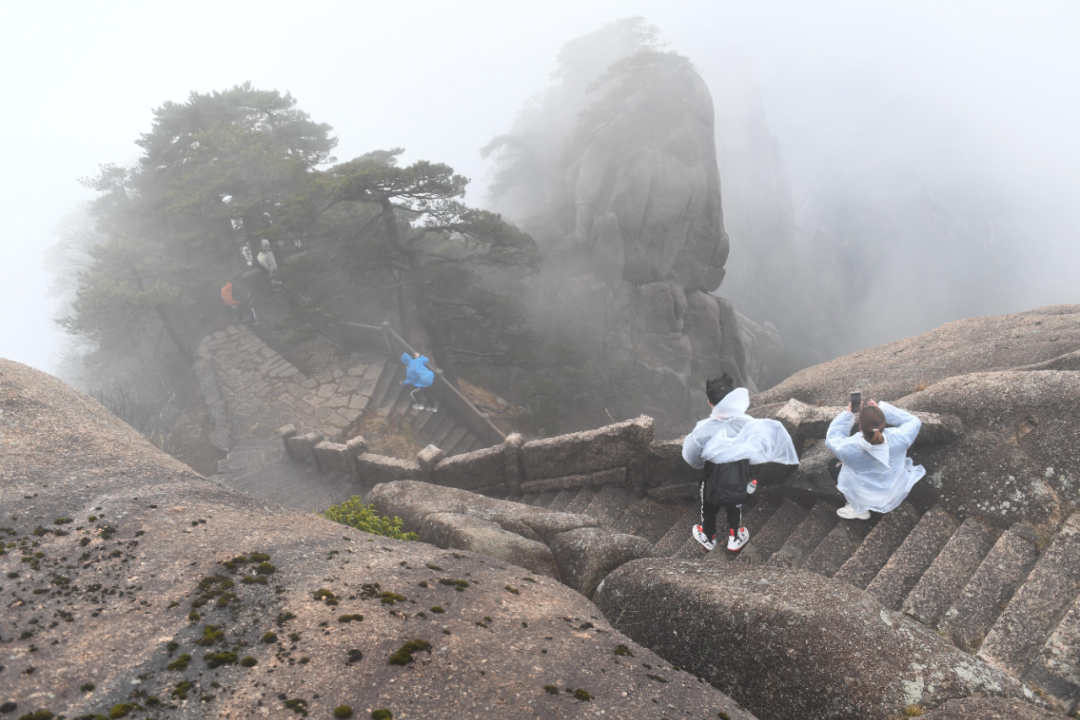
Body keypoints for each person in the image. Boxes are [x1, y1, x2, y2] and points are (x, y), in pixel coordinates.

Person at [682, 374, 799, 552]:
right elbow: (759, 446)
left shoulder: (701, 431)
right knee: (734, 503)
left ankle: (708, 536)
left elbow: (692, 458)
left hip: (711, 477)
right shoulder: (749, 423)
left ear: (709, 402)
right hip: (739, 475)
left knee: (709, 506)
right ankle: (734, 537)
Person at [825, 399, 925, 520]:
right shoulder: (900, 438)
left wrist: (848, 414)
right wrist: (882, 410)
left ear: (860, 426)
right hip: (895, 489)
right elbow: (914, 421)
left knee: (833, 464)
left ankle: (858, 508)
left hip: (865, 495)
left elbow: (832, 438)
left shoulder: (848, 448)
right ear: (883, 424)